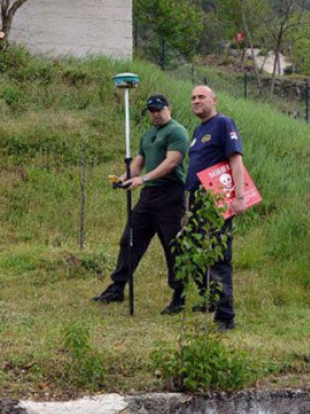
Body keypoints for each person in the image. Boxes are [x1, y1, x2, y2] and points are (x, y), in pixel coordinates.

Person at [92, 94, 189, 315]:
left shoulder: (177, 131)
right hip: (149, 197)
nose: (155, 114)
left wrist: (143, 179)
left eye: (159, 110)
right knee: (129, 239)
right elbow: (136, 166)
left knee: (173, 246)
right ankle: (117, 287)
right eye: (152, 111)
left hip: (170, 195)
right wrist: (122, 178)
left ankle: (179, 295)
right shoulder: (147, 136)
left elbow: (171, 163)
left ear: (169, 108)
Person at [184, 85, 248, 331]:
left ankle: (225, 317)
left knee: (220, 258)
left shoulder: (223, 123)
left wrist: (239, 196)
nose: (196, 101)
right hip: (197, 203)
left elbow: (235, 160)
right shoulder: (199, 131)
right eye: (193, 98)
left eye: (201, 97)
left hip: (216, 202)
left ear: (214, 100)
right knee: (196, 253)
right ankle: (211, 300)